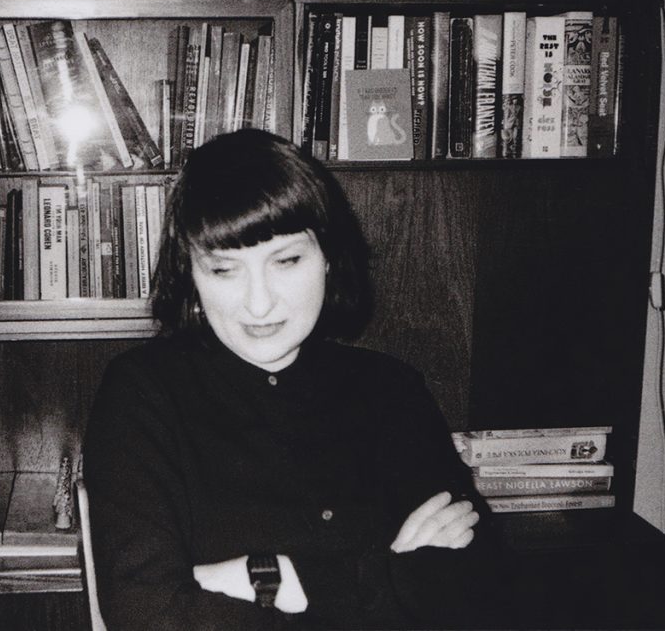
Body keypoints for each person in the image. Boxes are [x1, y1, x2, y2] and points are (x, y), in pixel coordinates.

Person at [83, 129, 505, 630]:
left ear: (327, 257)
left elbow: (480, 585)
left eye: (286, 261)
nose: (259, 303)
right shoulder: (141, 393)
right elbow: (147, 613)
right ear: (191, 275)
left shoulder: (392, 390)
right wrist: (387, 579)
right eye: (223, 270)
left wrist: (278, 580)